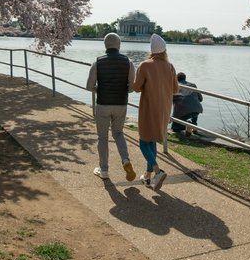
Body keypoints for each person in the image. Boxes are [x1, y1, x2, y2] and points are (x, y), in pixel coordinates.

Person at [85, 33, 138, 182]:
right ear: (119, 45)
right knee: (119, 133)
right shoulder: (128, 62)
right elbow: (132, 87)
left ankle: (104, 170)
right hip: (121, 104)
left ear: (105, 45)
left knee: (102, 137)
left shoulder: (97, 62)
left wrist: (99, 90)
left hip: (103, 104)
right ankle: (125, 160)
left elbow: (89, 86)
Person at [132, 34, 179, 191]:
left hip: (149, 107)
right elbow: (175, 89)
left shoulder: (145, 65)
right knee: (151, 141)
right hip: (164, 108)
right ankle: (147, 176)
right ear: (165, 50)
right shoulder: (170, 66)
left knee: (144, 141)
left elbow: (136, 88)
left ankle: (158, 171)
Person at [171, 72, 203, 137]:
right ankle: (193, 124)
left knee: (175, 129)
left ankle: (187, 124)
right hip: (197, 109)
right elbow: (201, 99)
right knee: (193, 110)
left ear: (176, 79)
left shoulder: (175, 87)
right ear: (185, 78)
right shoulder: (193, 85)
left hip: (183, 111)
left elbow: (170, 101)